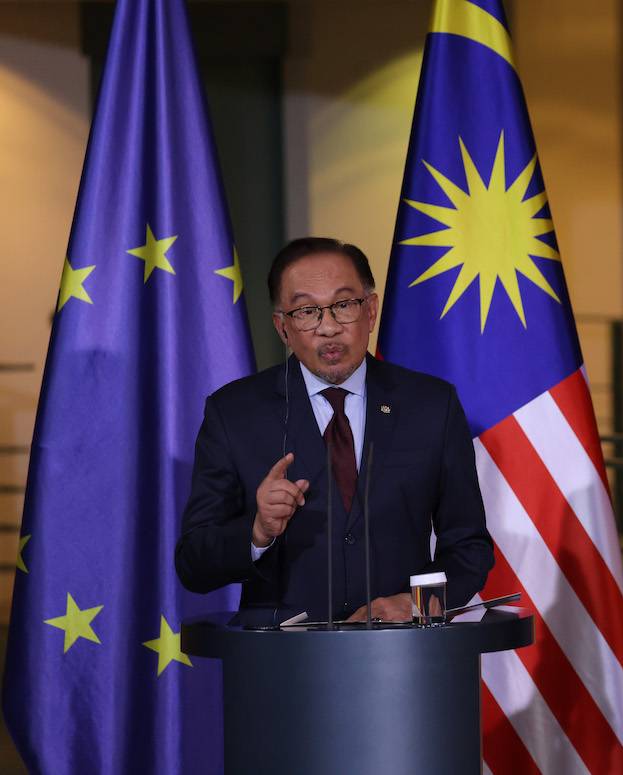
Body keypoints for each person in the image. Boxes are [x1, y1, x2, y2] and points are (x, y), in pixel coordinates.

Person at [175, 237, 493, 622]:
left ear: (371, 311)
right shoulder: (235, 413)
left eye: (343, 305)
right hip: (280, 665)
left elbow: (468, 547)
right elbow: (193, 562)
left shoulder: (430, 405)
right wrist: (257, 531)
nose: (328, 327)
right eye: (307, 311)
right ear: (283, 328)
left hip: (404, 661)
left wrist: (417, 605)